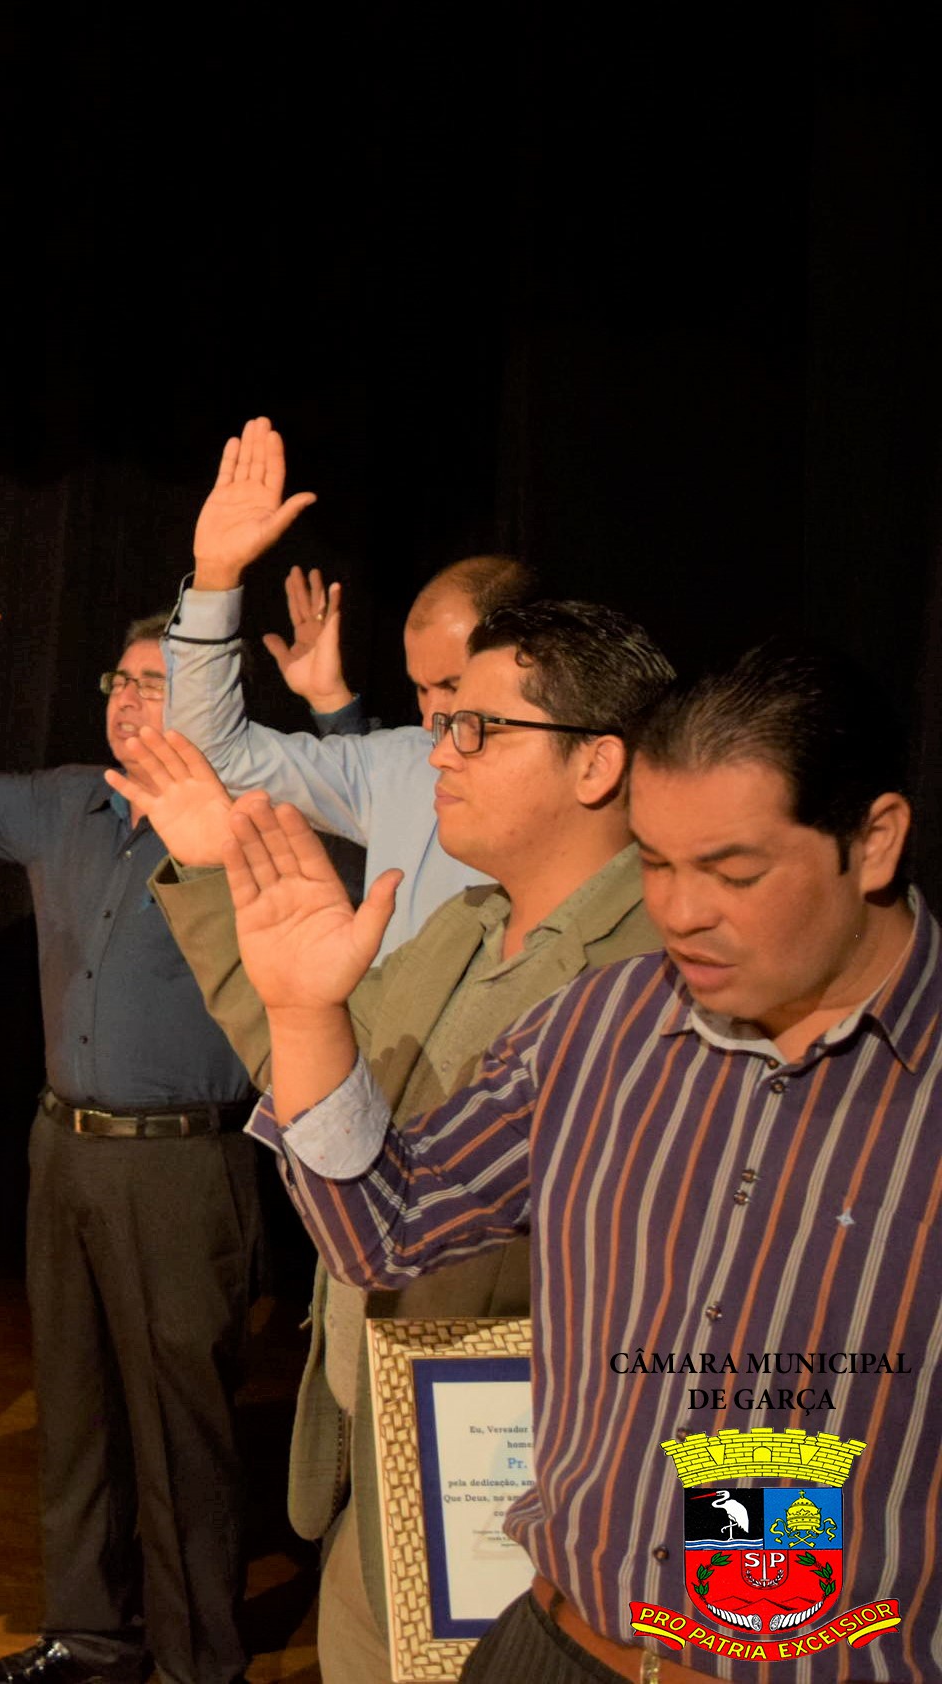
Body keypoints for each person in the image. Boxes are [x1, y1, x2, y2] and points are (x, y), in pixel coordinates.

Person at [215, 640, 942, 1683]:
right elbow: (383, 1228)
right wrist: (301, 1012)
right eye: (653, 862)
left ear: (871, 842)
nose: (680, 910)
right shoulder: (598, 1027)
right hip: (553, 1648)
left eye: (731, 871)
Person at [120, 599, 674, 1684]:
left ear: (597, 763)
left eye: (476, 727)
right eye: (440, 719)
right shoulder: (461, 925)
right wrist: (212, 880)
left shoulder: (652, 973)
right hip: (390, 1472)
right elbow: (317, 1080)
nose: (440, 747)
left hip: (543, 1513)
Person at [0, 555, 260, 1684]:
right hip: (64, 1150)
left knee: (182, 1431)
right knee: (78, 1409)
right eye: (121, 679)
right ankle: (91, 1636)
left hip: (183, 1162)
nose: (129, 698)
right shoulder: (64, 801)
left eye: (157, 681)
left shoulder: (250, 823)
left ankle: (201, 1663)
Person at [166, 416, 540, 957]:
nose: (434, 716)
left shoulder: (586, 794)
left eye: (453, 685)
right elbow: (211, 757)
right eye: (419, 688)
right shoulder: (403, 765)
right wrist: (216, 574)